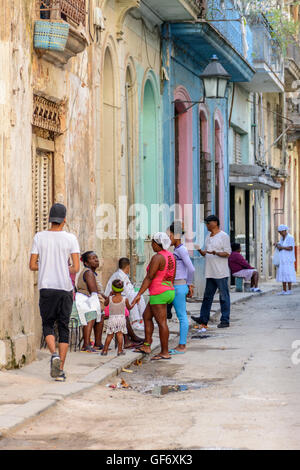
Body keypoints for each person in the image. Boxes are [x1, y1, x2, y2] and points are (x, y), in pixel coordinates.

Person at [29, 203, 80, 382]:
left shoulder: (39, 237)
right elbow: (76, 267)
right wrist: (64, 266)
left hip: (46, 287)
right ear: (64, 220)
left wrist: (45, 265)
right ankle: (61, 370)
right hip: (64, 288)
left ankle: (53, 355)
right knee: (64, 327)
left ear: (50, 219)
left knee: (48, 324)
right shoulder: (70, 238)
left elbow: (32, 265)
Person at [131, 232, 176, 361]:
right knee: (146, 316)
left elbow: (149, 277)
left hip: (159, 292)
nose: (151, 245)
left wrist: (139, 294)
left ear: (158, 244)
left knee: (162, 322)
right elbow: (172, 276)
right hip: (168, 290)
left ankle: (164, 352)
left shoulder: (158, 257)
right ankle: (146, 345)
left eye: (153, 243)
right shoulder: (170, 256)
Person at [192, 215, 231, 331]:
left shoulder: (223, 236)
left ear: (215, 223)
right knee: (207, 297)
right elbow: (206, 254)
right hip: (210, 271)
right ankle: (203, 318)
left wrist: (216, 253)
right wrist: (199, 250)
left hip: (221, 272)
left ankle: (225, 320)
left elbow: (227, 253)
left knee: (224, 297)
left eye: (208, 223)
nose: (207, 225)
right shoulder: (208, 236)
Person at [167, 221, 195, 354]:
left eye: (170, 235)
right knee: (179, 315)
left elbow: (191, 268)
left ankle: (182, 346)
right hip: (177, 286)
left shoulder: (181, 250)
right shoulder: (177, 250)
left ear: (175, 235)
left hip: (179, 285)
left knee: (182, 316)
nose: (169, 238)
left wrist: (189, 283)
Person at [74, 251, 107, 352]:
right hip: (84, 300)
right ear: (86, 263)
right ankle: (86, 344)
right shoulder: (88, 273)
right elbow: (94, 292)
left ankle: (98, 343)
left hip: (88, 300)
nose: (96, 260)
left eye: (96, 257)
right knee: (92, 313)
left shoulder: (91, 272)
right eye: (93, 258)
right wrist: (106, 298)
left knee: (100, 315)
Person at [105, 258, 145, 331]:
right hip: (114, 297)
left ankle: (143, 319)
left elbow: (129, 289)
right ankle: (134, 322)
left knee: (139, 295)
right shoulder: (119, 275)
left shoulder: (124, 275)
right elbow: (125, 291)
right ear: (128, 267)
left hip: (123, 295)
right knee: (132, 296)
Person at [101, 280, 133, 356]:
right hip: (121, 319)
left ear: (112, 289)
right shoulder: (125, 299)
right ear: (122, 289)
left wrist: (109, 295)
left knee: (109, 335)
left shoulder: (110, 298)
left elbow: (105, 304)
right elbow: (130, 307)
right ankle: (119, 350)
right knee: (120, 335)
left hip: (112, 319)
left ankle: (105, 350)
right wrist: (135, 301)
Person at [275, 225, 297, 295]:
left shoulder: (290, 237)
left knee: (288, 274)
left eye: (281, 232)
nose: (280, 234)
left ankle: (289, 290)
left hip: (288, 259)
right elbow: (281, 247)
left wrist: (281, 247)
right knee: (283, 274)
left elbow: (291, 248)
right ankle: (284, 290)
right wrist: (277, 245)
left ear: (284, 231)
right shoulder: (281, 238)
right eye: (279, 232)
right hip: (282, 259)